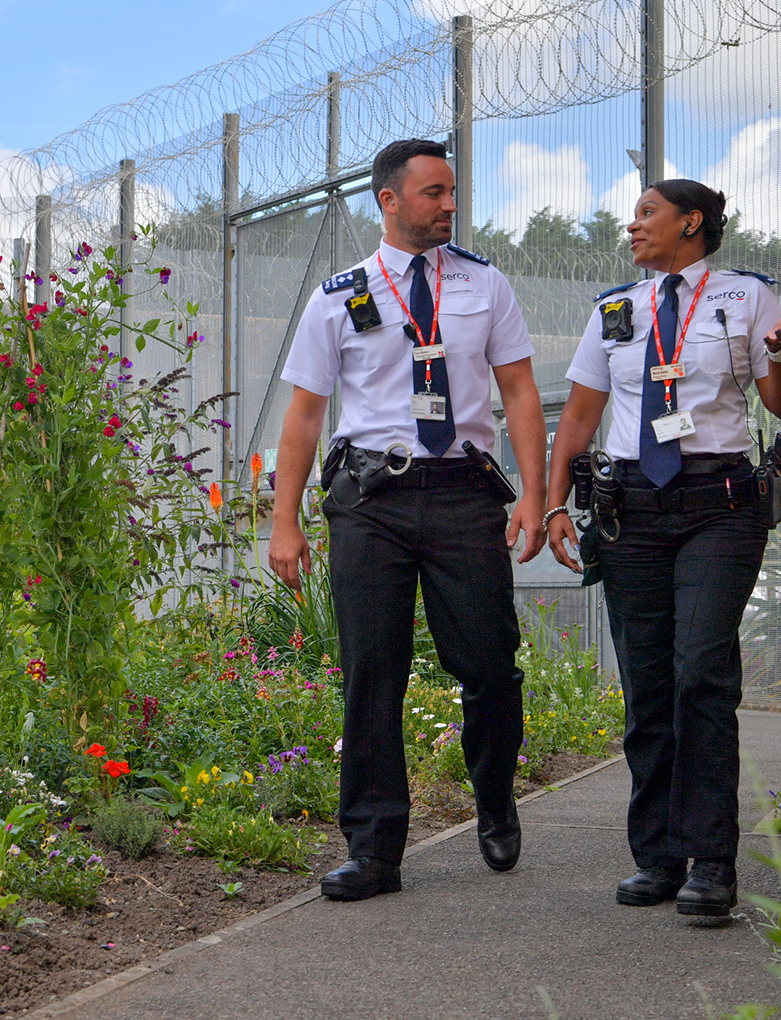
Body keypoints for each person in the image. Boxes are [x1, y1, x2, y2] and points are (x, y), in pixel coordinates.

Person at [267, 138, 548, 901]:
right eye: (433, 193)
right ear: (388, 201)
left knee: (489, 663)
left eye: (452, 191)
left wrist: (532, 492)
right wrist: (284, 520)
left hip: (463, 494)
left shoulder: (486, 286)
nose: (449, 204)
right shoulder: (340, 294)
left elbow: (519, 392)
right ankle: (374, 847)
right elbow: (304, 415)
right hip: (369, 501)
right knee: (372, 672)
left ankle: (495, 796)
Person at [544, 179, 781, 916]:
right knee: (648, 683)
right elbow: (580, 414)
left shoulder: (744, 298)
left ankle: (712, 861)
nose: (632, 227)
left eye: (647, 214)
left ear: (691, 222)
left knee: (701, 670)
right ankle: (658, 857)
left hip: (717, 509)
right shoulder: (614, 310)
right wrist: (551, 504)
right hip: (629, 511)